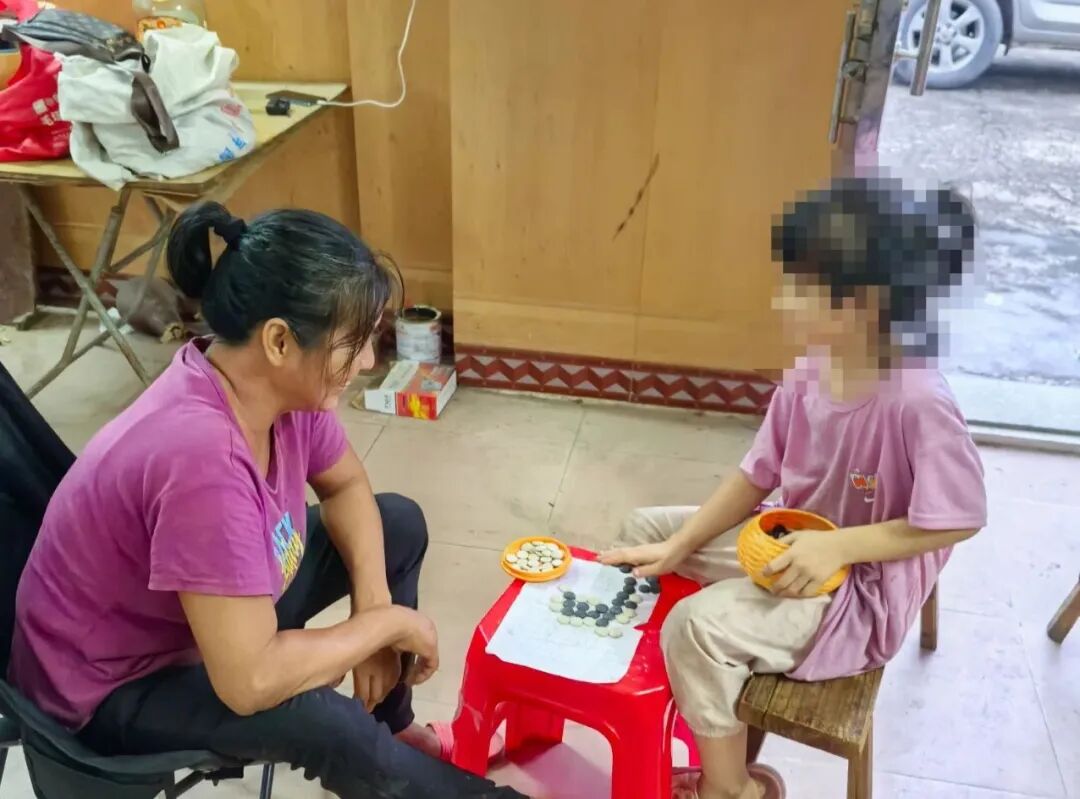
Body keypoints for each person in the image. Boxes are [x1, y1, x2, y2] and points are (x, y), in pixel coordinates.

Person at [9, 203, 526, 799]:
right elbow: (250, 680)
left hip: (207, 622)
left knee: (397, 523)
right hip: (109, 690)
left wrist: (373, 612)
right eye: (354, 343)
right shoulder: (202, 458)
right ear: (280, 341)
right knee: (323, 722)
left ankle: (392, 727)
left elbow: (347, 485)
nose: (366, 362)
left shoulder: (270, 387)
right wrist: (386, 624)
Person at [602, 176, 987, 799]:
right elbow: (757, 474)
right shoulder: (810, 371)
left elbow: (960, 517)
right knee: (642, 532)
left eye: (799, 289)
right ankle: (695, 701)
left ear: (861, 303)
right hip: (787, 542)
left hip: (858, 596)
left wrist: (840, 547)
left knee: (692, 626)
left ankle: (733, 787)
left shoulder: (917, 399)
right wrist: (679, 545)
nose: (782, 301)